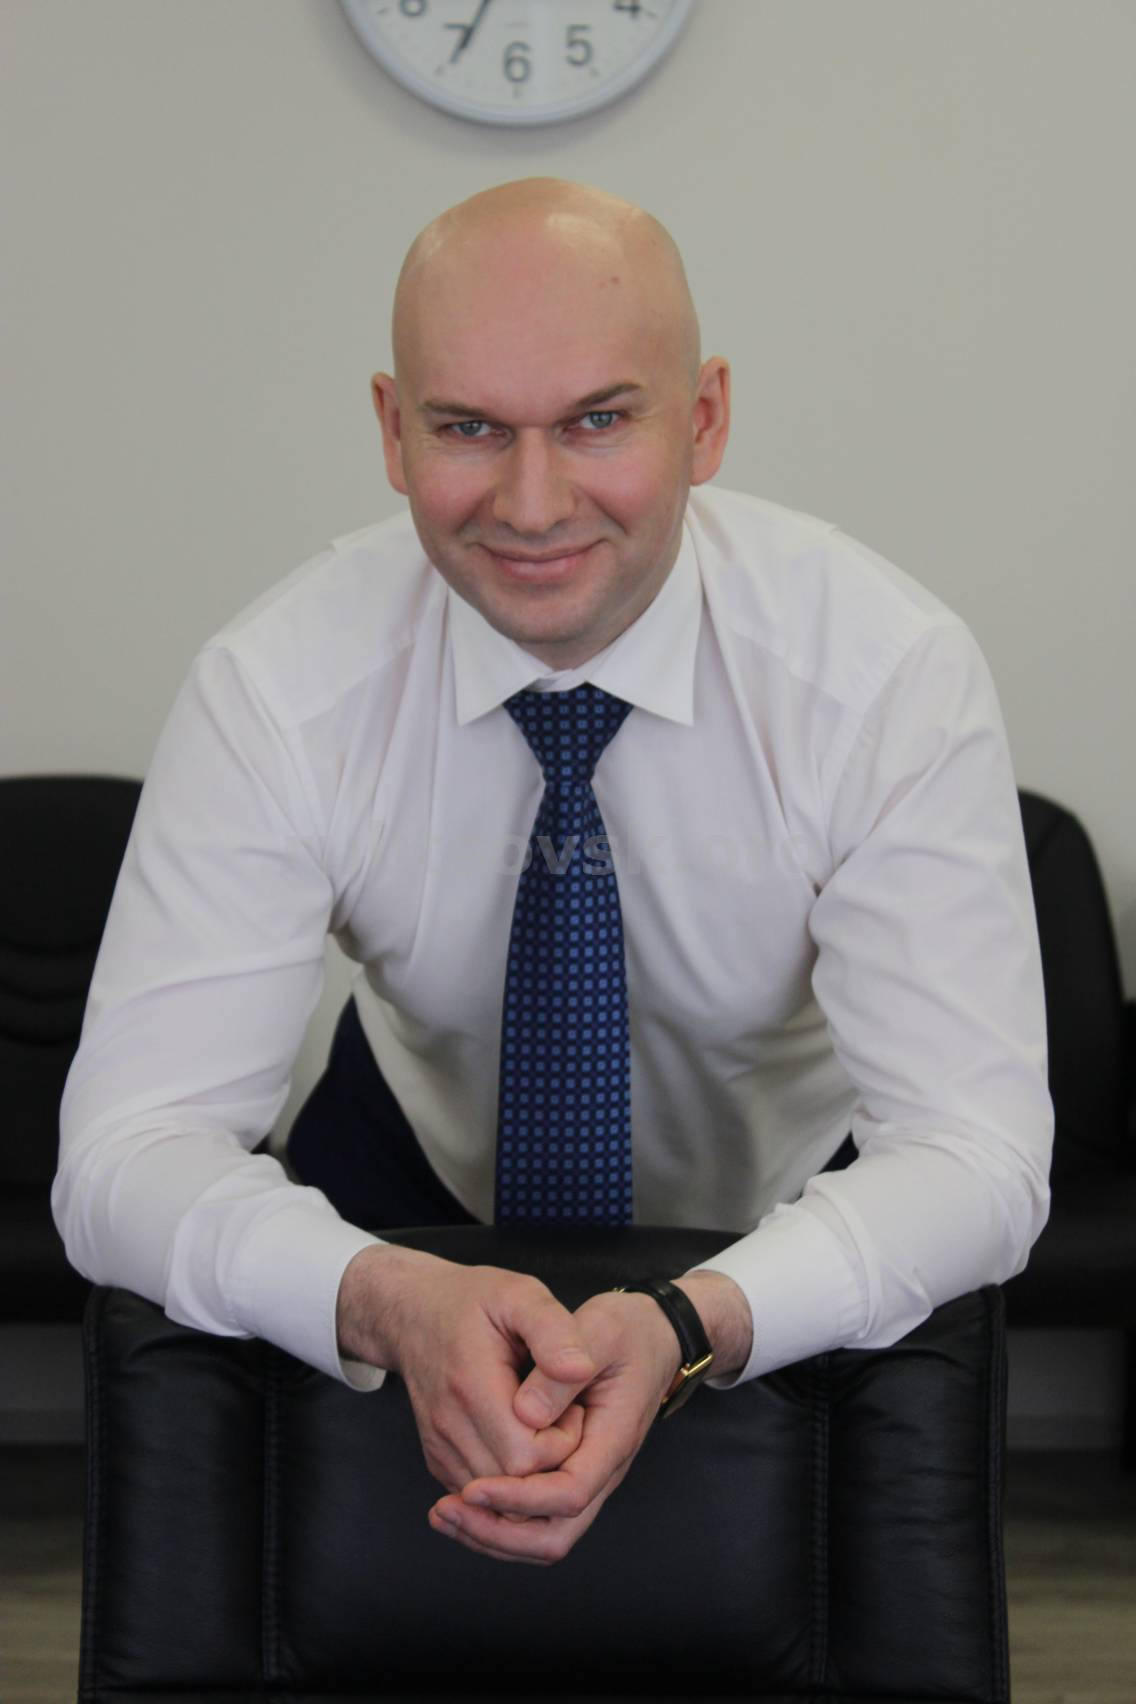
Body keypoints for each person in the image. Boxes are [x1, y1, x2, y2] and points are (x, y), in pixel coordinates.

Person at [55, 178, 1053, 1567]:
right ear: (393, 432)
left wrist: (694, 1317)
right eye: (468, 427)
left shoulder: (884, 675)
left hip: (784, 1196)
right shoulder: (275, 687)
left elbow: (978, 1152)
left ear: (704, 419)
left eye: (598, 420)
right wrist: (383, 1294)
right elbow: (121, 1153)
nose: (532, 505)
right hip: (407, 1171)